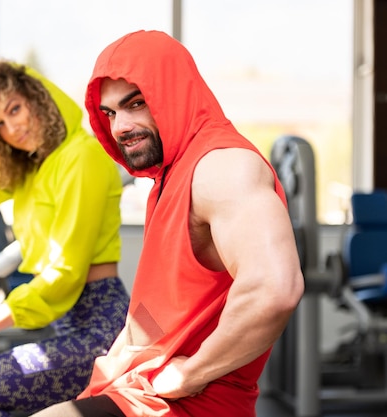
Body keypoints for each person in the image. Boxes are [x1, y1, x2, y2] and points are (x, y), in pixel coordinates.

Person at [31, 30, 305, 417]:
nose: (120, 127)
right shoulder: (168, 180)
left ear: (175, 94)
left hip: (191, 403)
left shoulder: (222, 167)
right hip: (145, 389)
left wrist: (193, 372)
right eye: (110, 113)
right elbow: (159, 309)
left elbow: (275, 288)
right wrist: (115, 364)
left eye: (136, 104)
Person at [0, 58, 130, 417]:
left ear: (38, 96)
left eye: (15, 108)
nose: (13, 127)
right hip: (68, 324)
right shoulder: (30, 172)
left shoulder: (82, 156)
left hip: (100, 328)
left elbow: (65, 271)